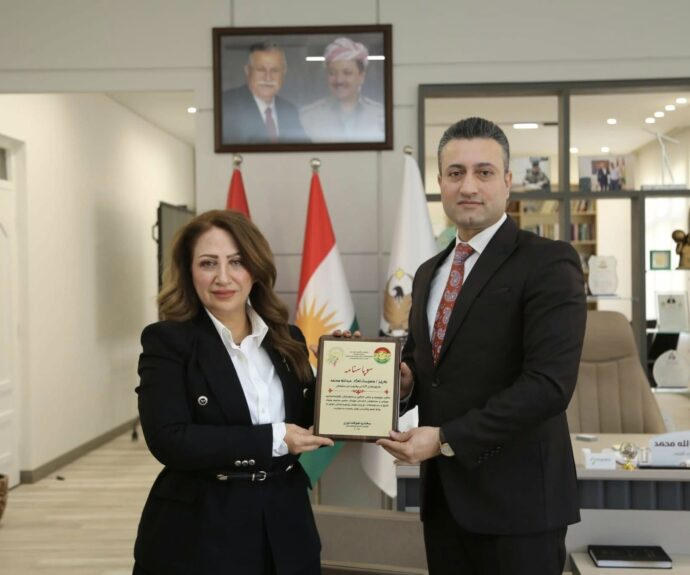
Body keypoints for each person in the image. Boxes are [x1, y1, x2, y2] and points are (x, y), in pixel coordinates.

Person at [377, 117, 587, 575]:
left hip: (520, 507)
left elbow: (548, 386)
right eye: (456, 173)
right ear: (440, 183)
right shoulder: (428, 273)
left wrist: (445, 439)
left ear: (508, 180)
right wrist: (404, 381)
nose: (468, 186)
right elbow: (427, 368)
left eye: (484, 172)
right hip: (445, 505)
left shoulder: (548, 262)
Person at [132, 210, 333, 575]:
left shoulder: (287, 338)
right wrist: (274, 438)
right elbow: (169, 439)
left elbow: (311, 422)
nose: (223, 277)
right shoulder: (167, 341)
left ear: (255, 269)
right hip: (201, 530)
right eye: (208, 263)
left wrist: (348, 374)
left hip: (287, 525)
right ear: (189, 271)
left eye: (237, 262)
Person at [300, 37, 384, 142]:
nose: (339, 80)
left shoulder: (380, 115)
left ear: (361, 76)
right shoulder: (307, 117)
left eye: (347, 73)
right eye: (332, 73)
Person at [222, 42, 309, 143]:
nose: (268, 78)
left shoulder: (289, 111)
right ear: (247, 70)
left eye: (275, 70)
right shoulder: (226, 105)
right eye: (261, 70)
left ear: (283, 73)